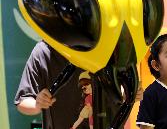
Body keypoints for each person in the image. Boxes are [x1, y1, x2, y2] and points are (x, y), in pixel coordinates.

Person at [14, 40, 144, 129]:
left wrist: (130, 92)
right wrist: (37, 104)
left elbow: (121, 87)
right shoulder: (43, 51)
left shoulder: (107, 45)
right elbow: (22, 101)